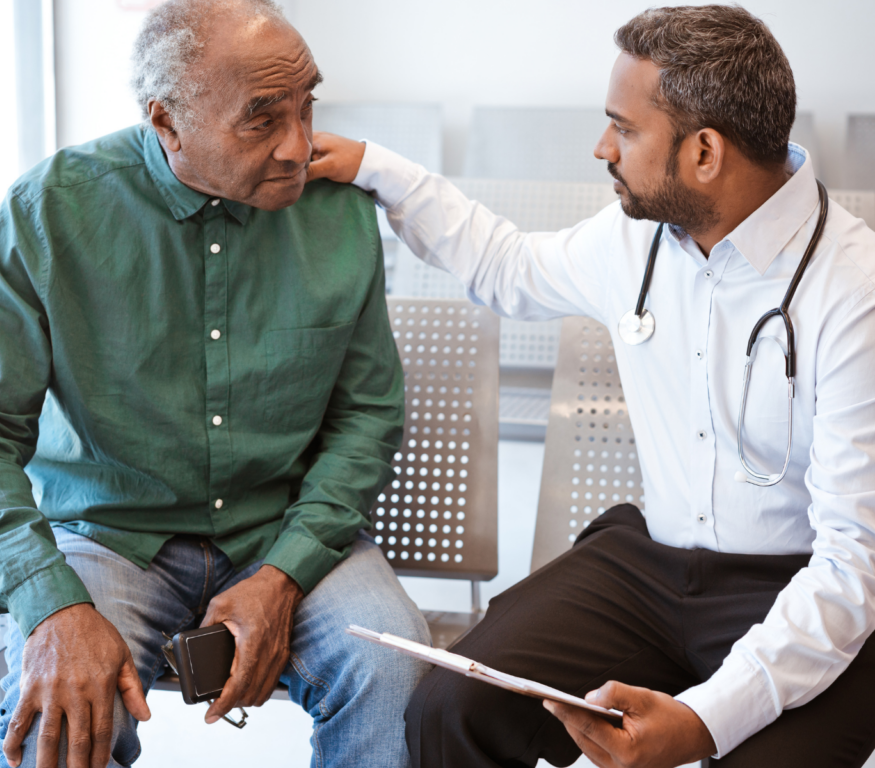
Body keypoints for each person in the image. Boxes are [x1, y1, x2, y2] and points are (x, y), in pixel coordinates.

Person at [308, 5, 875, 768]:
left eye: (626, 129)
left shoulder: (856, 292)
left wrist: (701, 720)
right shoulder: (635, 237)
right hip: (651, 567)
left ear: (705, 152)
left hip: (807, 588)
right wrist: (374, 165)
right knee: (451, 710)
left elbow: (852, 563)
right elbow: (505, 264)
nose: (602, 147)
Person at [0, 1, 431, 767]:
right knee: (56, 724)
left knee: (403, 681)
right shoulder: (48, 213)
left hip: (284, 529)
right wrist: (50, 604)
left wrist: (286, 572)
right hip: (108, 533)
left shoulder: (341, 216)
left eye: (307, 105)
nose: (300, 145)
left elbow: (365, 416)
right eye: (262, 120)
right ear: (167, 122)